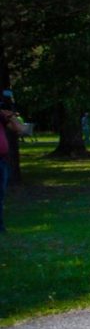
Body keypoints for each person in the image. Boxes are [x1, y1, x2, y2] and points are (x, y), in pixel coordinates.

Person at [0, 95, 20, 233]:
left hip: (1, 160)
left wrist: (11, 116)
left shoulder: (1, 117)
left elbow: (19, 129)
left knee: (0, 194)